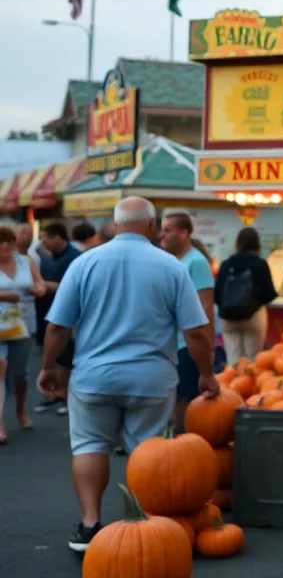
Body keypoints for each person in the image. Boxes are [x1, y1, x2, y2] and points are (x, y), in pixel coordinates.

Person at [39, 196, 215, 552]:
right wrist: (206, 374)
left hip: (93, 376)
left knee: (89, 445)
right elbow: (196, 331)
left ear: (116, 224)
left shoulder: (85, 263)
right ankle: (135, 525)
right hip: (151, 379)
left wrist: (47, 367)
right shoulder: (171, 267)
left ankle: (90, 526)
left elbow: (58, 326)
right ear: (152, 226)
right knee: (145, 452)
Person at [160, 212, 223, 432]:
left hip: (188, 344)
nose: (162, 235)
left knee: (185, 400)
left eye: (167, 230)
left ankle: (181, 442)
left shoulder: (196, 262)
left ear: (183, 233)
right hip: (169, 343)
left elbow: (205, 307)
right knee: (172, 398)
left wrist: (208, 347)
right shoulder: (173, 260)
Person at [0, 225, 46, 441]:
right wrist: (3, 296)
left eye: (8, 240)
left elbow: (40, 284)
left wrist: (39, 290)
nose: (5, 245)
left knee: (19, 375)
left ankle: (20, 410)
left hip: (23, 324)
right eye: (0, 241)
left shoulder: (25, 261)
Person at [34, 221, 79, 415]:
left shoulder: (74, 258)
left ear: (58, 237)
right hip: (48, 311)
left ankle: (68, 399)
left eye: (47, 238)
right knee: (59, 357)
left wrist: (46, 285)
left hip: (67, 316)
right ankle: (56, 394)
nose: (44, 243)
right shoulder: (51, 255)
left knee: (66, 358)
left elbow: (73, 289)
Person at [214, 227, 279, 363]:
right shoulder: (260, 264)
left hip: (228, 319)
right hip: (253, 318)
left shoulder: (226, 264)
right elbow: (269, 294)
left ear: (237, 243)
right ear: (257, 245)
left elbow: (216, 294)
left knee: (233, 360)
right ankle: (248, 383)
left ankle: (233, 382)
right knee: (252, 360)